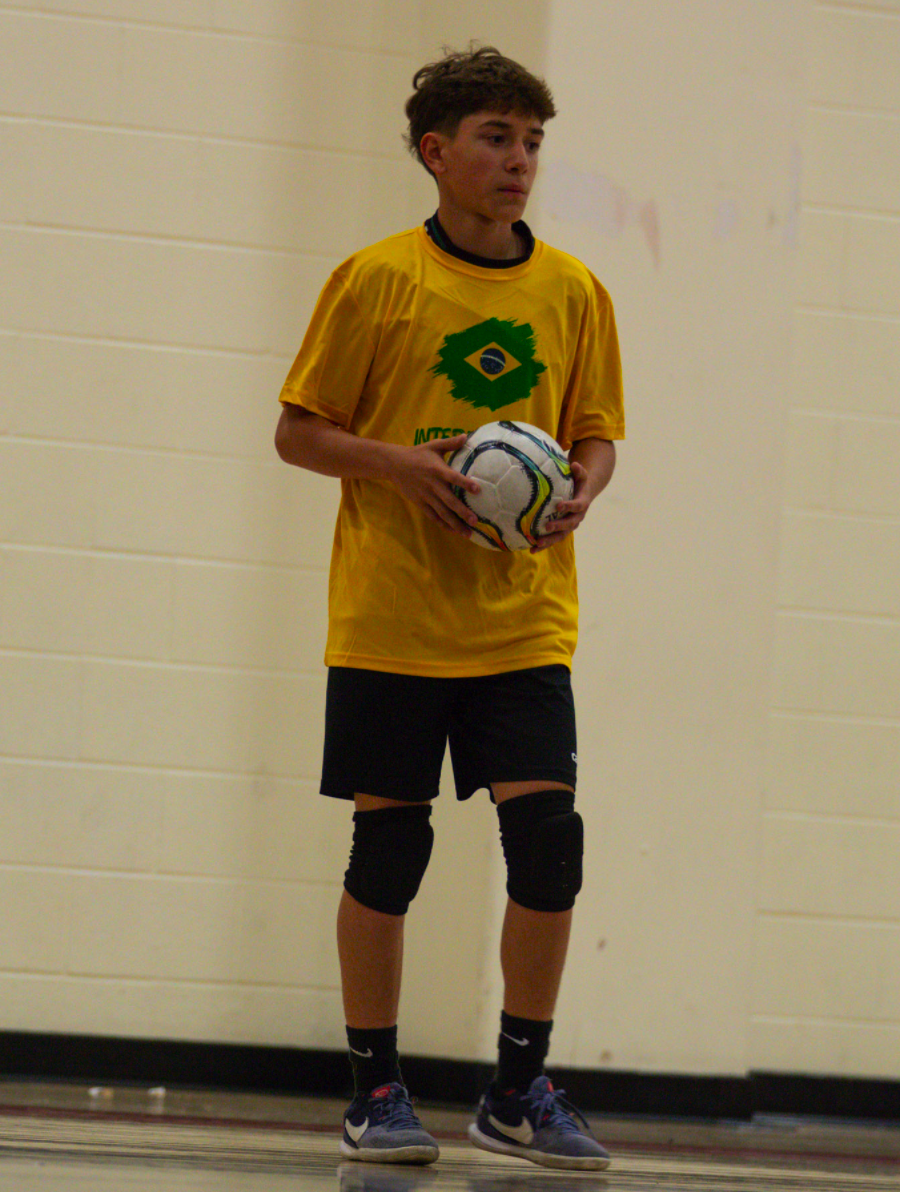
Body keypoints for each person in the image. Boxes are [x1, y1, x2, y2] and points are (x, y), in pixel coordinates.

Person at [275, 46, 624, 1171]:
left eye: (531, 142)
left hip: (522, 619)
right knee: (391, 850)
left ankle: (518, 1087)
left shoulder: (574, 289)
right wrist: (398, 465)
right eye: (495, 139)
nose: (519, 161)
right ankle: (374, 1085)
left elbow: (596, 435)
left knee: (551, 846)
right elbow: (297, 431)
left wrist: (581, 491)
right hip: (393, 616)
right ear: (436, 153)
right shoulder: (377, 278)